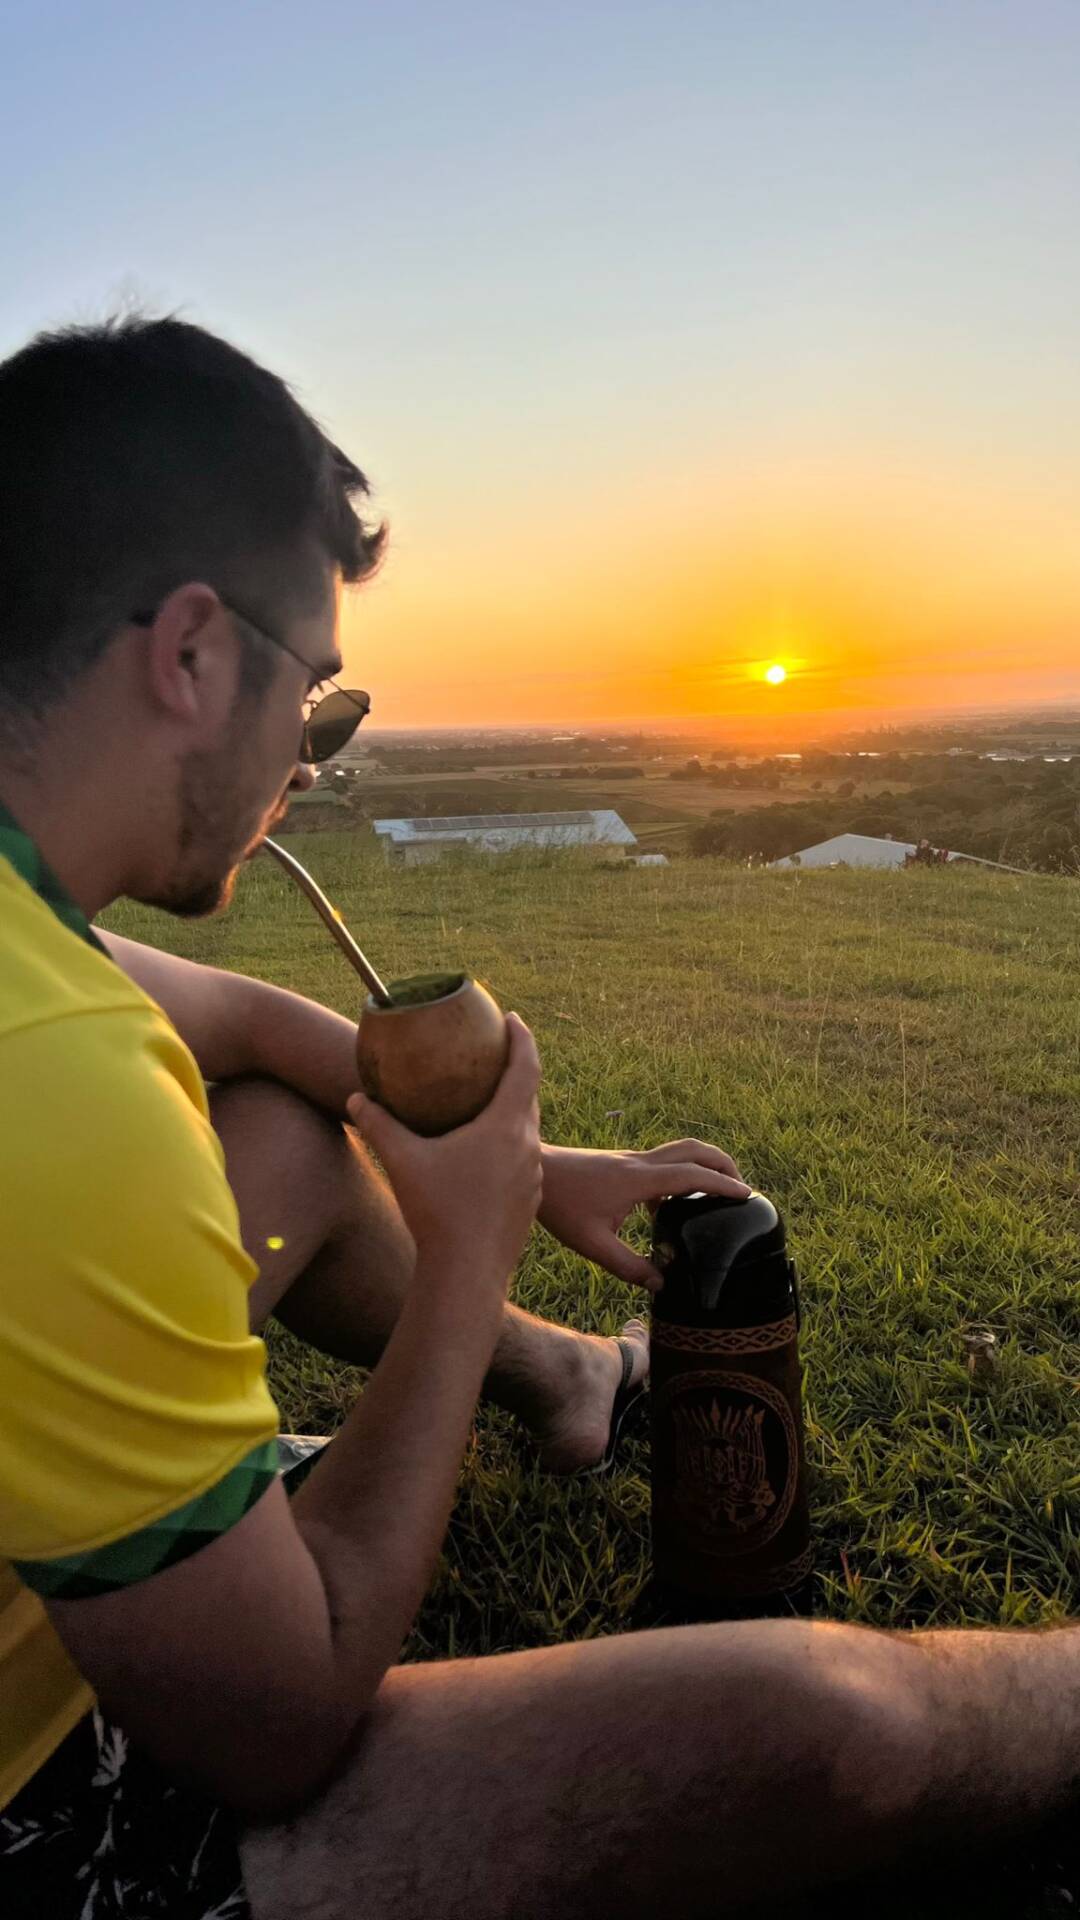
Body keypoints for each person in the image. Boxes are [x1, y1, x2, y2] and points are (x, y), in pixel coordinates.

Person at [1, 316, 1079, 1920]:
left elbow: (226, 1014)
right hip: (46, 1783)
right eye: (322, 692)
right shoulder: (60, 1088)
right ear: (195, 655)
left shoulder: (37, 957)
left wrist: (540, 1163)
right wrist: (463, 1251)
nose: (311, 753)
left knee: (294, 1123)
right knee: (834, 1725)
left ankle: (574, 1381)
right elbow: (281, 1729)